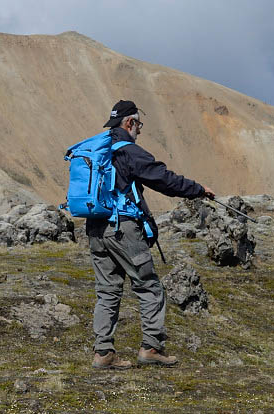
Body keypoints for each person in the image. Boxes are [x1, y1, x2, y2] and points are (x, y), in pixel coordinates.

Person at [87, 100, 215, 370]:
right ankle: (151, 348)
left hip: (96, 227)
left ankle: (103, 354)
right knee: (149, 287)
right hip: (123, 229)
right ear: (130, 123)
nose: (139, 131)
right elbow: (163, 179)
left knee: (107, 292)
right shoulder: (129, 152)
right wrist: (197, 189)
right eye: (138, 125)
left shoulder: (98, 149)